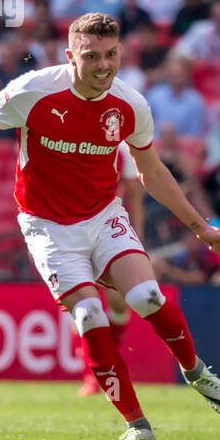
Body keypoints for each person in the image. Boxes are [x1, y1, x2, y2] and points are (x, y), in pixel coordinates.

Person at [0, 13, 220, 440]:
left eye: (112, 54)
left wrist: (199, 225)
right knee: (89, 316)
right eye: (92, 56)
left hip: (103, 217)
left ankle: (194, 370)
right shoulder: (35, 90)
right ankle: (138, 427)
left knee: (146, 297)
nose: (104, 65)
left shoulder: (130, 105)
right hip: (47, 227)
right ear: (70, 57)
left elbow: (151, 172)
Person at [78, 142, 147, 398]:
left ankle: (110, 365)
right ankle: (93, 376)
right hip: (68, 230)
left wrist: (136, 233)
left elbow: (134, 191)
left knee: (118, 303)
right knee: (83, 305)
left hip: (106, 231)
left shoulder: (119, 146)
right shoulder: (66, 136)